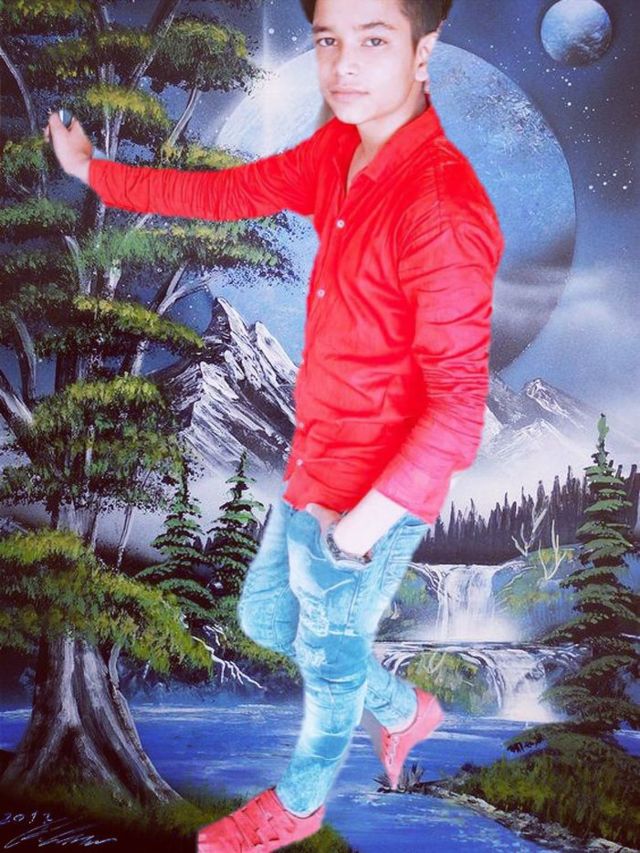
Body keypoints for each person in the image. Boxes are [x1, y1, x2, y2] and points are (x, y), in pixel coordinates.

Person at [45, 0, 504, 849]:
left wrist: (356, 535)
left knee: (328, 663)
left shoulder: (442, 207)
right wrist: (95, 172)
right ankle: (405, 708)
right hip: (317, 459)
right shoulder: (341, 151)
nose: (343, 64)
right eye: (329, 39)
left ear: (424, 51)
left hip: (372, 497)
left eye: (374, 40)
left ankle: (298, 806)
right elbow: (228, 193)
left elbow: (457, 413)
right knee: (265, 621)